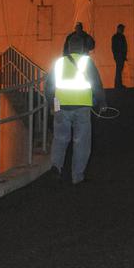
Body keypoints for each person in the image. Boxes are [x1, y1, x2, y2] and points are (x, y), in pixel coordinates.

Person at [45, 30, 106, 185]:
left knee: (60, 138)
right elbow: (96, 84)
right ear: (82, 48)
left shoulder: (59, 62)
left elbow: (49, 86)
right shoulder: (87, 62)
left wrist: (52, 104)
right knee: (81, 142)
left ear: (69, 47)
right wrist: (102, 102)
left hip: (61, 106)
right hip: (82, 107)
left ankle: (56, 167)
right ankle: (77, 177)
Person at [111, 23, 128, 89]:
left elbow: (124, 47)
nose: (123, 30)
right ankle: (118, 84)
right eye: (122, 29)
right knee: (119, 70)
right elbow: (114, 47)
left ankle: (118, 84)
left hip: (120, 56)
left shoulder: (121, 37)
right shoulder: (117, 37)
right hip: (119, 56)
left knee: (119, 70)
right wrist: (117, 55)